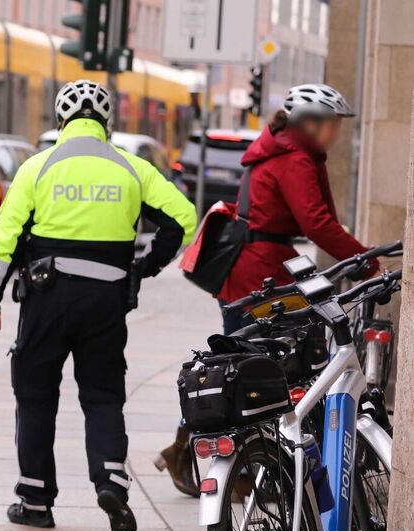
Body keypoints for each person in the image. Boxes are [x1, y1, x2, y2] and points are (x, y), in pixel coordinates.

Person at [0, 80, 196, 531]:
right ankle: (111, 477)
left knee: (35, 396)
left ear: (61, 122)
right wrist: (144, 267)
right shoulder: (132, 168)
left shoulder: (38, 166)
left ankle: (35, 499)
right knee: (103, 396)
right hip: (107, 300)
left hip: (46, 296)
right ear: (106, 123)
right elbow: (184, 219)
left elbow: (6, 236)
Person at [156, 83, 381, 497]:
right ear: (309, 123)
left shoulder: (284, 151)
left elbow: (316, 221)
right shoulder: (294, 158)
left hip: (257, 269)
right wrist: (365, 258)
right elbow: (316, 223)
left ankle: (186, 448)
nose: (336, 132)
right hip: (258, 275)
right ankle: (238, 466)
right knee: (252, 369)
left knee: (245, 361)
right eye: (332, 124)